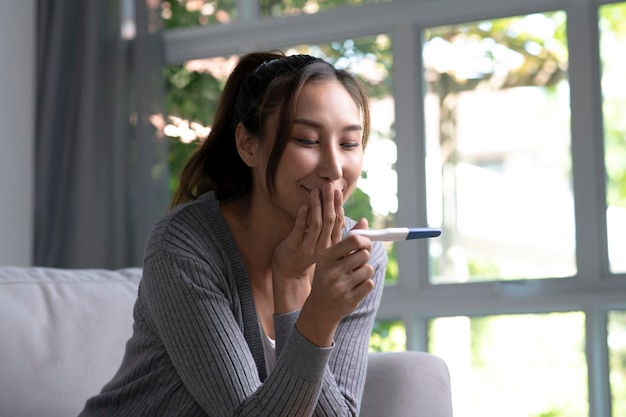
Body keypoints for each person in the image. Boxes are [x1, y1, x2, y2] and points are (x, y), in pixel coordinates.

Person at [78, 50, 388, 417]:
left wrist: (300, 290)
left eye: (349, 144)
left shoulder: (358, 256)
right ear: (248, 145)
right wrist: (299, 291)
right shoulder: (183, 246)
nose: (334, 168)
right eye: (307, 140)